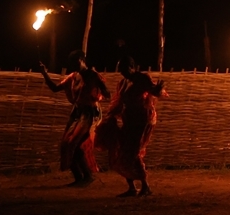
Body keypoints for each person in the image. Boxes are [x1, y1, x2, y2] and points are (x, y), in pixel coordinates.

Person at [40, 50, 110, 186]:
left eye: (77, 61)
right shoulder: (73, 77)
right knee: (66, 144)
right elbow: (55, 88)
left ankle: (88, 176)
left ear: (83, 59)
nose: (74, 64)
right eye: (72, 62)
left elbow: (107, 93)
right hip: (78, 114)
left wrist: (101, 93)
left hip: (91, 114)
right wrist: (44, 73)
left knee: (75, 144)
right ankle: (79, 177)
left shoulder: (93, 75)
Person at [100, 56, 167, 196]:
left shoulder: (142, 78)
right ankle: (131, 187)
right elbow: (119, 101)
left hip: (141, 120)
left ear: (132, 67)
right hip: (128, 119)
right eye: (120, 70)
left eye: (124, 69)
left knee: (133, 152)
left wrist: (159, 89)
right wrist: (111, 116)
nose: (122, 72)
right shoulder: (124, 82)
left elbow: (154, 91)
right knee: (122, 151)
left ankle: (145, 186)